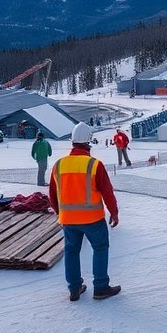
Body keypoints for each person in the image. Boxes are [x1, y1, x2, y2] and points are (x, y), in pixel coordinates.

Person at [50, 123, 120, 301]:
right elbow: (107, 192)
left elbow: (52, 194)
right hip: (92, 219)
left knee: (71, 251)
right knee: (100, 248)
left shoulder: (59, 165)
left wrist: (61, 213)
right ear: (88, 143)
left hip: (68, 220)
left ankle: (74, 288)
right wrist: (114, 212)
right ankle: (101, 287)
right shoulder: (94, 165)